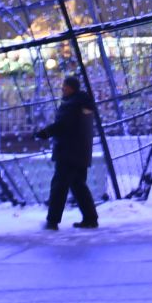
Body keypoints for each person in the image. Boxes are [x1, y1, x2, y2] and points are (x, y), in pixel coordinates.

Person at [34, 76, 99, 231]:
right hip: (81, 151)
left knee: (59, 187)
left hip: (68, 152)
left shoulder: (72, 105)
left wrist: (45, 133)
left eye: (64, 86)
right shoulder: (84, 103)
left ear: (71, 88)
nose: (62, 89)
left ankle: (52, 221)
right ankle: (90, 218)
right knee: (78, 186)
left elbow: (62, 125)